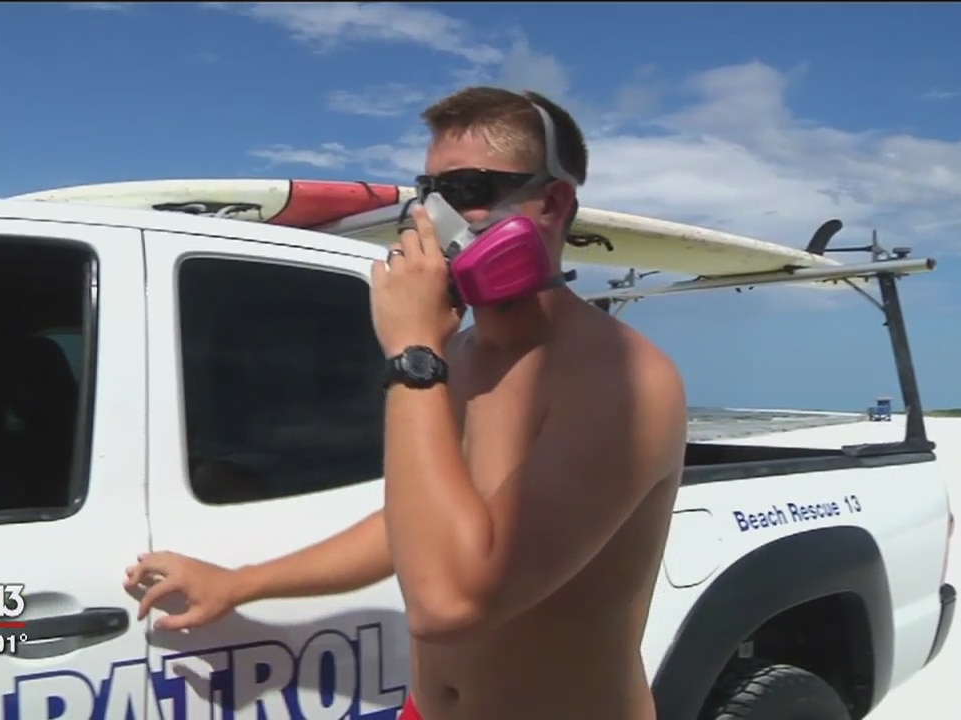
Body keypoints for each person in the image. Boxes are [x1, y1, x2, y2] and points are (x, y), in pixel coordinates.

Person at [124, 87, 687, 720]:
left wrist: (413, 350)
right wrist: (241, 583)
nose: (438, 217)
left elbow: (451, 601)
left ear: (553, 202)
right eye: (431, 192)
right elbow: (416, 531)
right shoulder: (464, 356)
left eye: (470, 189)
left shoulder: (622, 380)